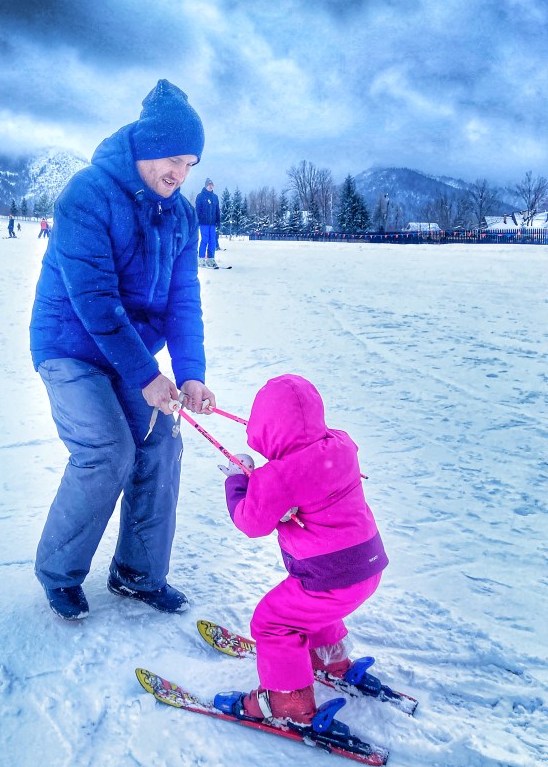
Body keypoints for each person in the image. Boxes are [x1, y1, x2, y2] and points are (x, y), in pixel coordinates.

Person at [29, 79, 215, 621]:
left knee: (161, 444)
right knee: (108, 450)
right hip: (70, 346)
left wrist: (191, 373)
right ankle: (59, 573)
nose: (180, 174)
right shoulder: (88, 194)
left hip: (131, 357)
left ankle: (138, 574)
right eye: (173, 159)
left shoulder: (181, 215)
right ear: (146, 146)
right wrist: (147, 375)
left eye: (190, 164)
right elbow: (94, 299)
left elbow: (184, 300)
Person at [214, 374, 388, 727]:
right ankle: (329, 658)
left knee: (273, 622)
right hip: (368, 566)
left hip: (331, 578)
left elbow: (251, 522)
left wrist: (237, 480)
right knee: (310, 610)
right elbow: (312, 474)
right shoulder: (342, 444)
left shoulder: (278, 477)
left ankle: (288, 703)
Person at [195, 178, 220, 268]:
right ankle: (201, 259)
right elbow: (197, 210)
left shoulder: (215, 197)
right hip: (204, 223)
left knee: (212, 241)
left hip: (212, 223)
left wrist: (218, 221)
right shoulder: (200, 196)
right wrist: (197, 220)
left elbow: (217, 211)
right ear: (206, 186)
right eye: (209, 185)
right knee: (205, 240)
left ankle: (211, 259)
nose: (210, 186)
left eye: (212, 185)